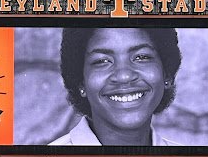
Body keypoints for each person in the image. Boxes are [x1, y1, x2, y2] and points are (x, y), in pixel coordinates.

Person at [50, 27, 182, 146]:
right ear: (81, 82)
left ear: (167, 74)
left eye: (141, 57)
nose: (124, 76)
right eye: (102, 61)